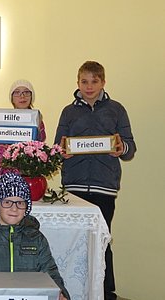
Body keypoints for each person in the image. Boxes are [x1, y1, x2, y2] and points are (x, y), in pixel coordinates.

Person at [54, 61, 136, 300]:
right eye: (84, 81)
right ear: (77, 83)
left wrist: (121, 148)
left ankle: (105, 291)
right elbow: (58, 145)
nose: (89, 87)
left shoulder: (117, 109)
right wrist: (63, 152)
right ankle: (70, 287)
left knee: (102, 239)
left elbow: (130, 148)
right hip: (74, 185)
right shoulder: (68, 111)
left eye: (94, 81)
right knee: (74, 240)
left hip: (104, 186)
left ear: (103, 82)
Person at [0, 79, 47, 189]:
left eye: (26, 92)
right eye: (17, 92)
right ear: (12, 98)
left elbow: (39, 146)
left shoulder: (38, 121)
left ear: (31, 96)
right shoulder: (2, 120)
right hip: (5, 172)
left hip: (27, 174)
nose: (22, 96)